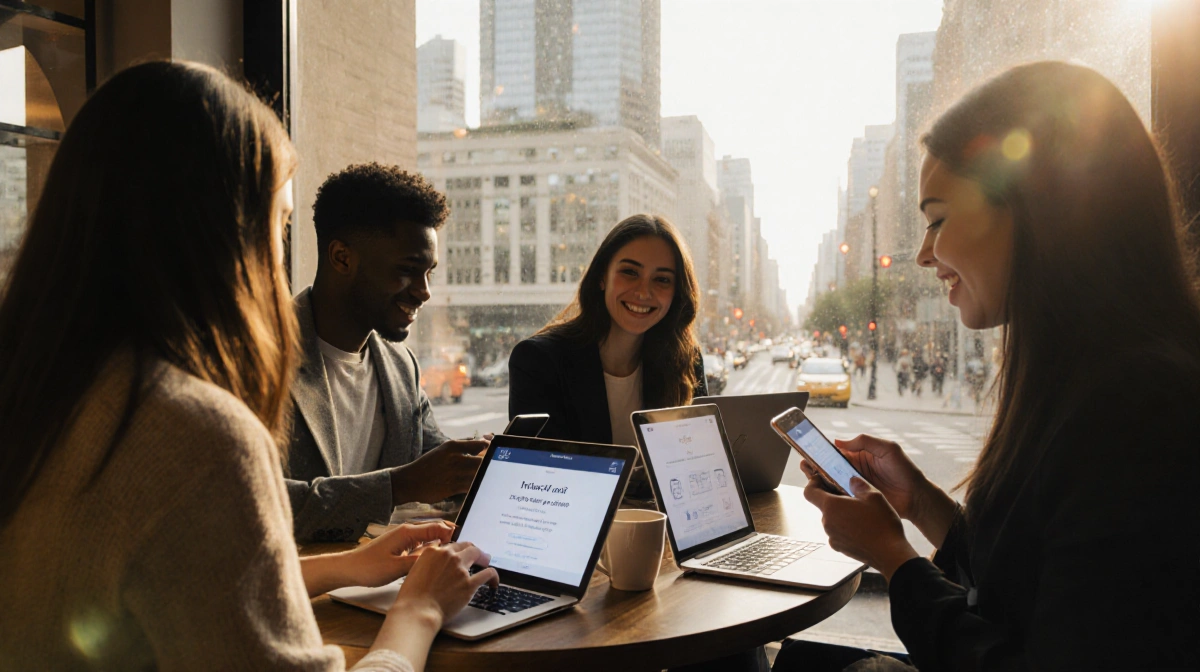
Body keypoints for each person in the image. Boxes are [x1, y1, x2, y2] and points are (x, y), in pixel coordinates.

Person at [0, 61, 497, 671]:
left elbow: (179, 569)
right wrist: (418, 610)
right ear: (222, 235)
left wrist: (341, 567)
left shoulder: (48, 391)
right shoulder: (196, 433)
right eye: (279, 223)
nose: (278, 252)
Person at [778, 62, 1199, 671]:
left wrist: (895, 562)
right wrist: (921, 502)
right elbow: (1033, 579)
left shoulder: (1142, 407)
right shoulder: (1085, 378)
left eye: (938, 219)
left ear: (1036, 210)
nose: (924, 254)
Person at [286, 163, 487, 543]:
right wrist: (396, 486)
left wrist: (481, 461)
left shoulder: (400, 367)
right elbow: (259, 504)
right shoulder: (257, 357)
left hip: (385, 590)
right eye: (408, 270)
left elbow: (436, 469)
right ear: (342, 258)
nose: (424, 291)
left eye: (429, 272)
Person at [508, 214, 707, 453]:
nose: (644, 292)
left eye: (662, 279)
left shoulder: (684, 360)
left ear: (676, 292)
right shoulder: (538, 361)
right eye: (630, 272)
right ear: (603, 276)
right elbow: (544, 474)